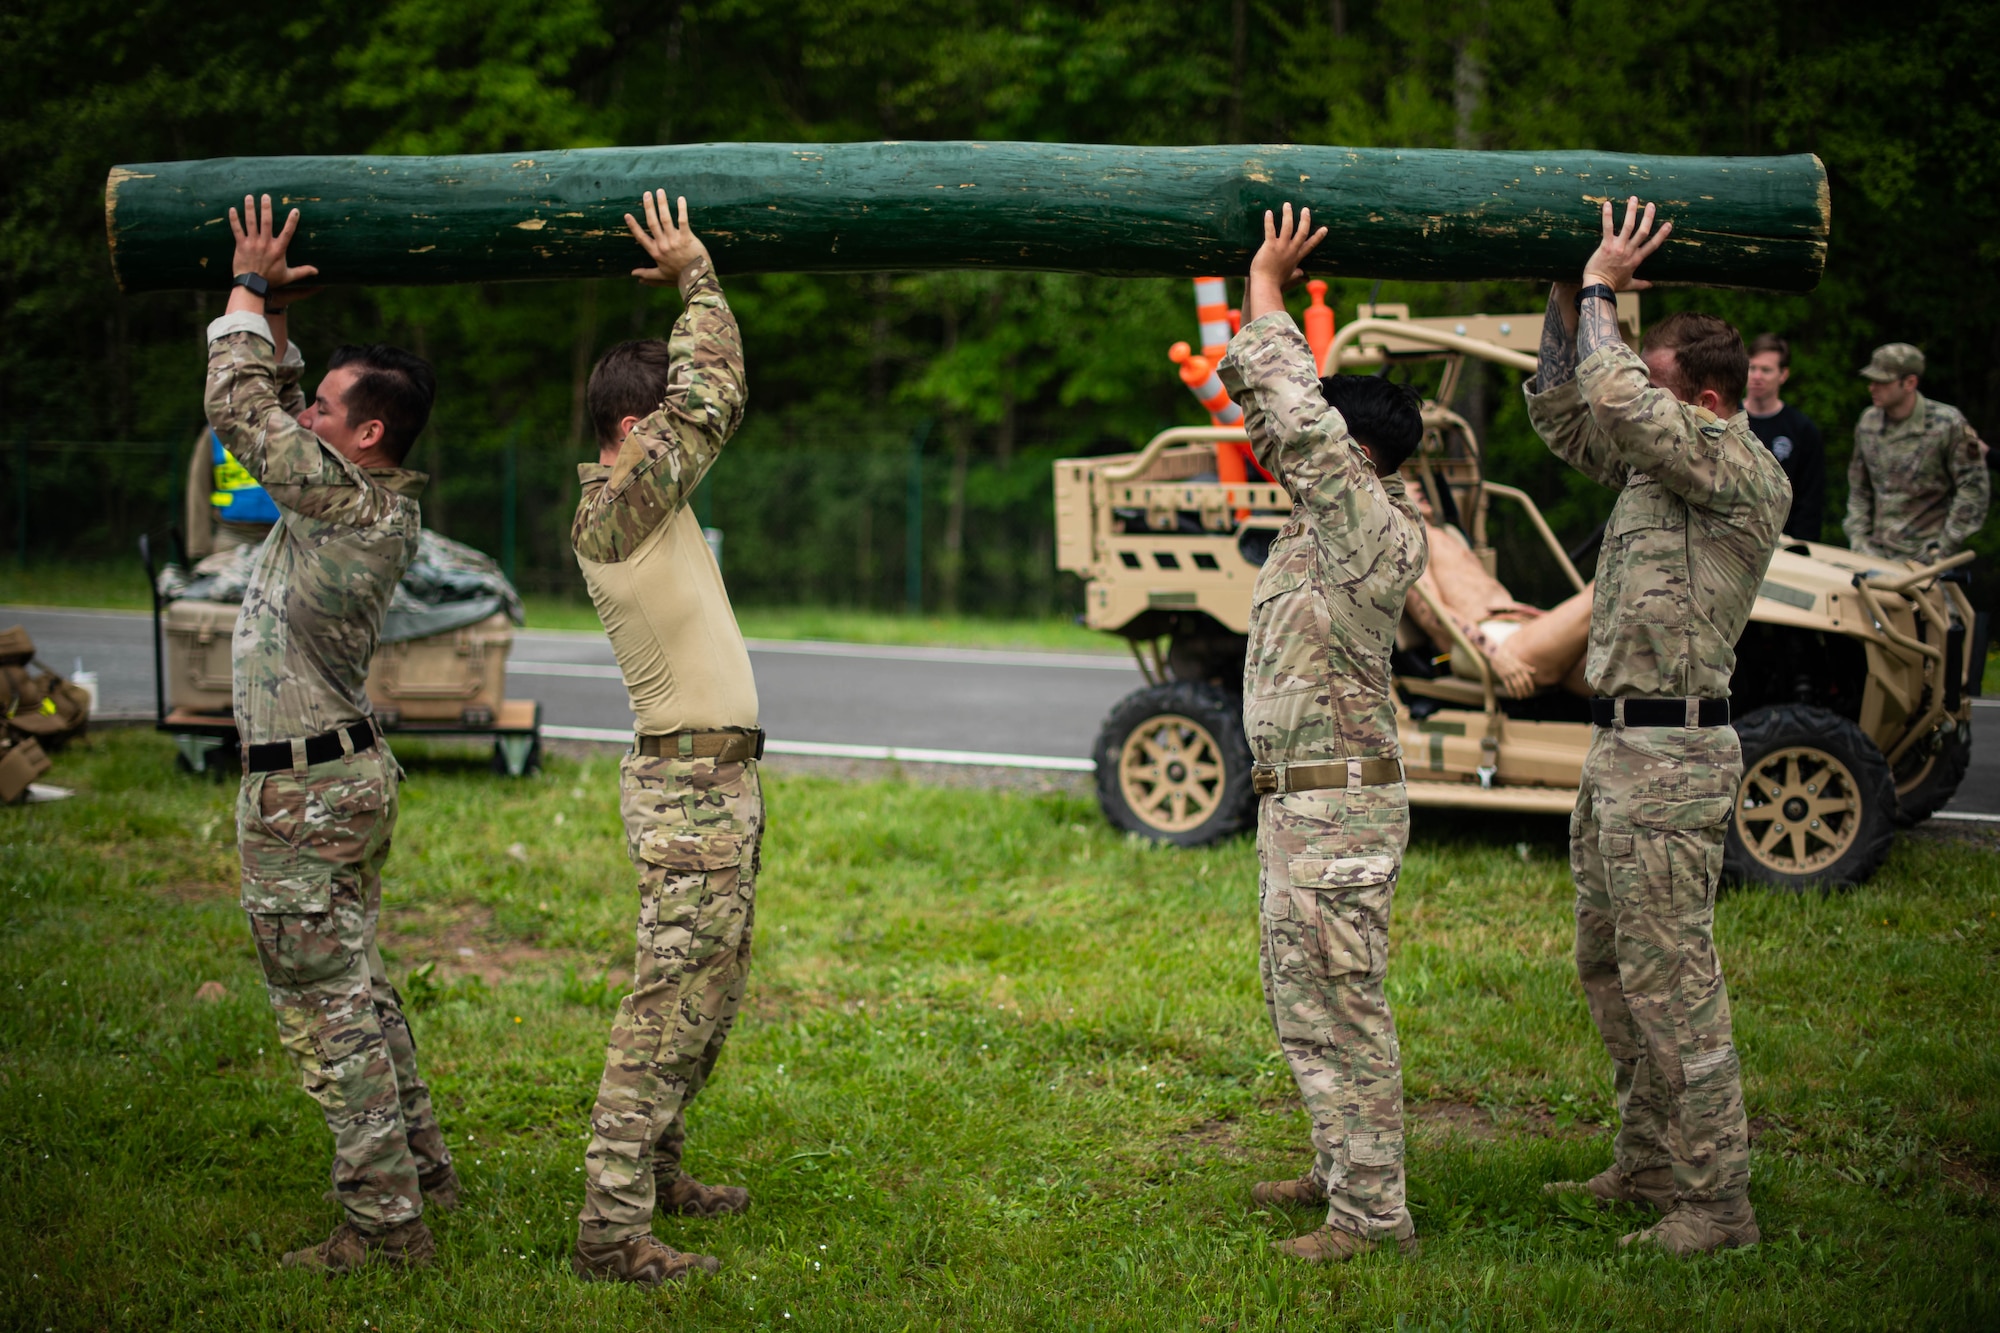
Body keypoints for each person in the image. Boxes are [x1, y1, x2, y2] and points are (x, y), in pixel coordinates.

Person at [1524, 198, 1790, 1256]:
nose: (1634, 379)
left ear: (1708, 399)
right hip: (1620, 749)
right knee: (1607, 961)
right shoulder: (1654, 462)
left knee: (1672, 978)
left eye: (1657, 372)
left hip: (1675, 753)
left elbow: (1621, 398)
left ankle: (1716, 1202)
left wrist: (1603, 286)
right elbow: (1565, 410)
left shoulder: (1735, 467)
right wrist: (1564, 296)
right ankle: (1645, 1163)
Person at [206, 195, 455, 1272]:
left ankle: (385, 1229)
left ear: (365, 438)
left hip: (306, 793)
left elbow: (238, 404)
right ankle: (426, 1172)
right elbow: (278, 401)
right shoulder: (361, 495)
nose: (305, 414)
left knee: (328, 1009)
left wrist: (250, 290)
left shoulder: (345, 504)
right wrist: (282, 331)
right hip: (338, 777)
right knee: (356, 983)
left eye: (327, 410)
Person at [1216, 204, 1428, 1264]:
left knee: (1343, 1004)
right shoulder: (1320, 522)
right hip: (1301, 799)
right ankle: (1335, 1161)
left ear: (1362, 456)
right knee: (1297, 992)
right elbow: (1276, 422)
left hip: (1336, 803)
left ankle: (1372, 1214)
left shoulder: (1367, 526)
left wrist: (1267, 283)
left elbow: (1297, 421)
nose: (1298, 453)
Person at [569, 191, 758, 1287]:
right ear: (634, 436)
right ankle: (609, 1227)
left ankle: (661, 1167)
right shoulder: (615, 507)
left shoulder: (646, 502)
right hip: (686, 791)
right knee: (666, 1004)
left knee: (710, 992)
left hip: (715, 784)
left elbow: (702, 409)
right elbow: (712, 400)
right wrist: (696, 277)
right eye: (665, 428)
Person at [1400, 485, 1594, 699]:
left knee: (1617, 674)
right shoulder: (1408, 536)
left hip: (1513, 627)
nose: (1418, 485)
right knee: (1606, 586)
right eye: (1405, 479)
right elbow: (1432, 614)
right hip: (1487, 642)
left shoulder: (1442, 535)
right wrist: (1494, 653)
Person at [1844, 343, 1990, 562]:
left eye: (1882, 381)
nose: (1872, 387)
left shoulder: (1946, 424)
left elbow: (1973, 488)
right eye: (1871, 380)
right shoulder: (1869, 422)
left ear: (1910, 382)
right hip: (1874, 555)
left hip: (1925, 558)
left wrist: (1944, 547)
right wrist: (1858, 540)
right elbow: (1859, 487)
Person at [1743, 333, 1825, 541]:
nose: (1757, 376)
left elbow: (1810, 500)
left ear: (1783, 374)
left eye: (1766, 370)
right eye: (1752, 368)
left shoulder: (1801, 430)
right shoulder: (1727, 419)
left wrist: (1802, 546)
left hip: (1783, 545)